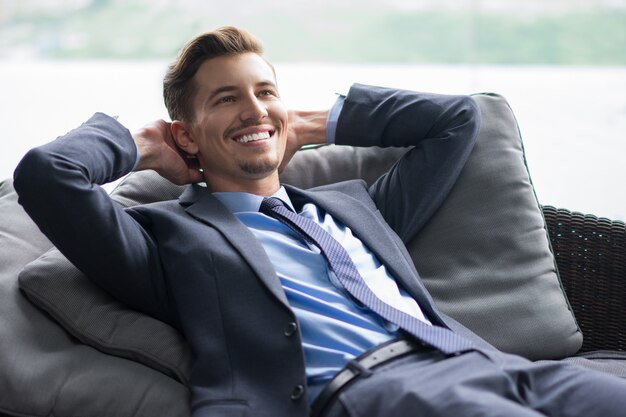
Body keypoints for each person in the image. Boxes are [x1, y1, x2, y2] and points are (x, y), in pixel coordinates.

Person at [13, 26, 626, 417]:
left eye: (264, 91)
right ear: (186, 134)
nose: (253, 108)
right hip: (373, 393)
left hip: (495, 366)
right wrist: (145, 141)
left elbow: (460, 120)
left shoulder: (359, 207)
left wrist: (309, 123)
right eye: (226, 99)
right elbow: (49, 175)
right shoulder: (168, 240)